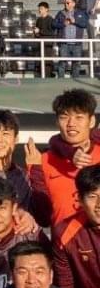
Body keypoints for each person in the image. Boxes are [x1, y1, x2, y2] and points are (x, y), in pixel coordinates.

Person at [55, 165, 100, 288]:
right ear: (79, 200)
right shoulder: (64, 233)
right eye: (92, 196)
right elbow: (66, 285)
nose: (99, 204)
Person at [42, 89, 100, 225]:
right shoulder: (43, 161)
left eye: (79, 117)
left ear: (92, 121)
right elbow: (38, 211)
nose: (71, 124)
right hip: (63, 238)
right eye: (64, 117)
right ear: (57, 122)